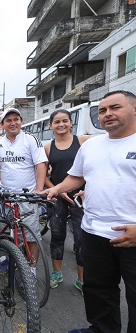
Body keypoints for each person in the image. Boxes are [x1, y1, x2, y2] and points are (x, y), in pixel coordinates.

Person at [43, 90, 136, 333]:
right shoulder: (92, 145)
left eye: (115, 108)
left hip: (132, 236)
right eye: (103, 110)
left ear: (134, 110)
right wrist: (54, 191)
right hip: (94, 231)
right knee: (98, 290)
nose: (107, 114)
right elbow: (77, 177)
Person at [0, 108, 48, 274]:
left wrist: (38, 190)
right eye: (8, 120)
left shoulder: (31, 140)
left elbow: (41, 164)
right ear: (2, 125)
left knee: (31, 236)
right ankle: (10, 259)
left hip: (27, 197)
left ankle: (31, 269)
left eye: (16, 119)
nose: (13, 123)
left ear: (21, 121)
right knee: (7, 233)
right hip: (5, 196)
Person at [43, 109, 89, 293]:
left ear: (71, 123)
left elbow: (93, 168)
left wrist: (86, 190)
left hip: (81, 196)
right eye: (57, 122)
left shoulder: (83, 142)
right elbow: (43, 175)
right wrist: (57, 191)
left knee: (81, 238)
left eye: (65, 121)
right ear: (51, 125)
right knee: (57, 235)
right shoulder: (48, 147)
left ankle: (82, 278)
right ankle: (57, 273)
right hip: (58, 197)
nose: (61, 125)